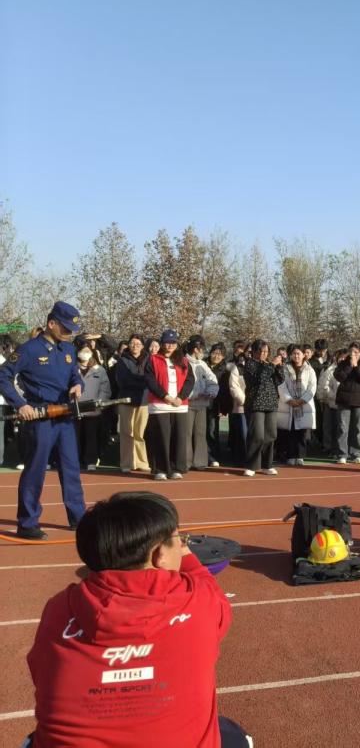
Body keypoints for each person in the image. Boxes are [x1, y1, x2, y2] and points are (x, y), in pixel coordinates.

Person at [26, 491, 251, 747]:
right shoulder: (200, 600)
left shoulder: (59, 608)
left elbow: (40, 672)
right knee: (233, 735)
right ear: (159, 554)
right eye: (178, 539)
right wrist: (187, 554)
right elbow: (212, 591)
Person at [0, 302, 88, 539]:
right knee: (35, 471)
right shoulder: (29, 349)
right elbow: (3, 376)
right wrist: (21, 404)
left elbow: (75, 376)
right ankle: (27, 522)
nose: (69, 333)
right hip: (40, 417)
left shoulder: (68, 349)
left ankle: (78, 517)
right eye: (65, 328)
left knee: (71, 469)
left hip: (65, 416)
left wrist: (78, 385)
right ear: (51, 323)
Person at [144, 330, 196, 481]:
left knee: (178, 438)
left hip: (179, 406)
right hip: (160, 406)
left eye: (173, 343)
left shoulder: (184, 361)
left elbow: (190, 380)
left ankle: (176, 468)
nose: (170, 345)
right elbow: (150, 380)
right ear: (162, 343)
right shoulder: (153, 359)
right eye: (167, 342)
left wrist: (181, 397)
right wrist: (164, 396)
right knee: (161, 438)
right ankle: (160, 469)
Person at [240, 339, 282, 476]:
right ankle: (251, 465)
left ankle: (267, 464)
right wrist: (272, 365)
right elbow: (260, 378)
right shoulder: (250, 364)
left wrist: (279, 367)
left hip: (271, 403)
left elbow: (279, 380)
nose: (264, 354)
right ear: (254, 351)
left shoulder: (268, 365)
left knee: (271, 435)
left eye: (266, 351)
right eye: (261, 351)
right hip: (256, 403)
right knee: (257, 435)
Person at [277, 343, 317, 466]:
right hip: (288, 405)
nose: (296, 356)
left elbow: (312, 387)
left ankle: (300, 456)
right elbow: (281, 385)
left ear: (304, 355)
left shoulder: (309, 369)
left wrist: (302, 400)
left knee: (302, 432)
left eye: (298, 353)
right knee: (290, 431)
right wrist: (289, 400)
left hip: (304, 405)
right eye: (294, 354)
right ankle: (290, 455)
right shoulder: (284, 369)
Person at [184, 336, 220, 471]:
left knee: (200, 433)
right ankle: (185, 462)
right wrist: (192, 395)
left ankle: (200, 462)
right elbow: (181, 384)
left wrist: (210, 393)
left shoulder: (203, 364)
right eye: (202, 348)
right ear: (195, 349)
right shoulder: (183, 362)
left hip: (202, 405)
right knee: (186, 433)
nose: (203, 351)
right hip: (187, 405)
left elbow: (213, 381)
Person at [76, 347, 111, 471]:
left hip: (93, 409)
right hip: (75, 408)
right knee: (76, 437)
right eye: (82, 351)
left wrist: (100, 401)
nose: (84, 354)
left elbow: (105, 388)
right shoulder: (71, 368)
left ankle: (91, 461)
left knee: (92, 437)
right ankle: (76, 461)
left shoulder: (99, 370)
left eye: (87, 351)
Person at [333, 343, 360, 464]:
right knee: (343, 427)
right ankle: (342, 454)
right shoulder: (343, 363)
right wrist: (349, 366)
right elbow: (339, 377)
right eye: (351, 352)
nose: (353, 354)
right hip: (344, 400)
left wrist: (356, 366)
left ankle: (356, 454)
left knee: (357, 428)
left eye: (356, 352)